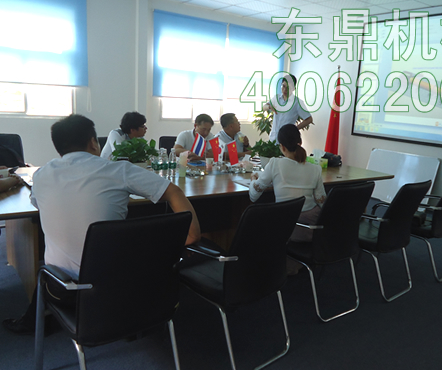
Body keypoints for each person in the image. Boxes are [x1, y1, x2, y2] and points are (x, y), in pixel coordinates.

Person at [3, 114, 201, 335]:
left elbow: (43, 206)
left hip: (63, 290)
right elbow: (173, 191)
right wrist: (191, 235)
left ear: (58, 148)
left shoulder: (40, 176)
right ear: (93, 142)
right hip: (126, 288)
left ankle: (36, 321)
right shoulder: (118, 170)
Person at [249, 124, 326, 243]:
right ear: (300, 142)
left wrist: (253, 180)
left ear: (282, 147)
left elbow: (253, 196)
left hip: (285, 228)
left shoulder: (274, 164)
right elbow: (321, 201)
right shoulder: (315, 169)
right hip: (311, 231)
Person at [262, 74, 313, 144]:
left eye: (289, 87)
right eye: (283, 86)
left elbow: (309, 119)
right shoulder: (276, 98)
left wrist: (294, 129)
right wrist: (269, 107)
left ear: (294, 88)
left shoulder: (297, 103)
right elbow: (264, 107)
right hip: (273, 138)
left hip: (286, 140)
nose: (285, 89)